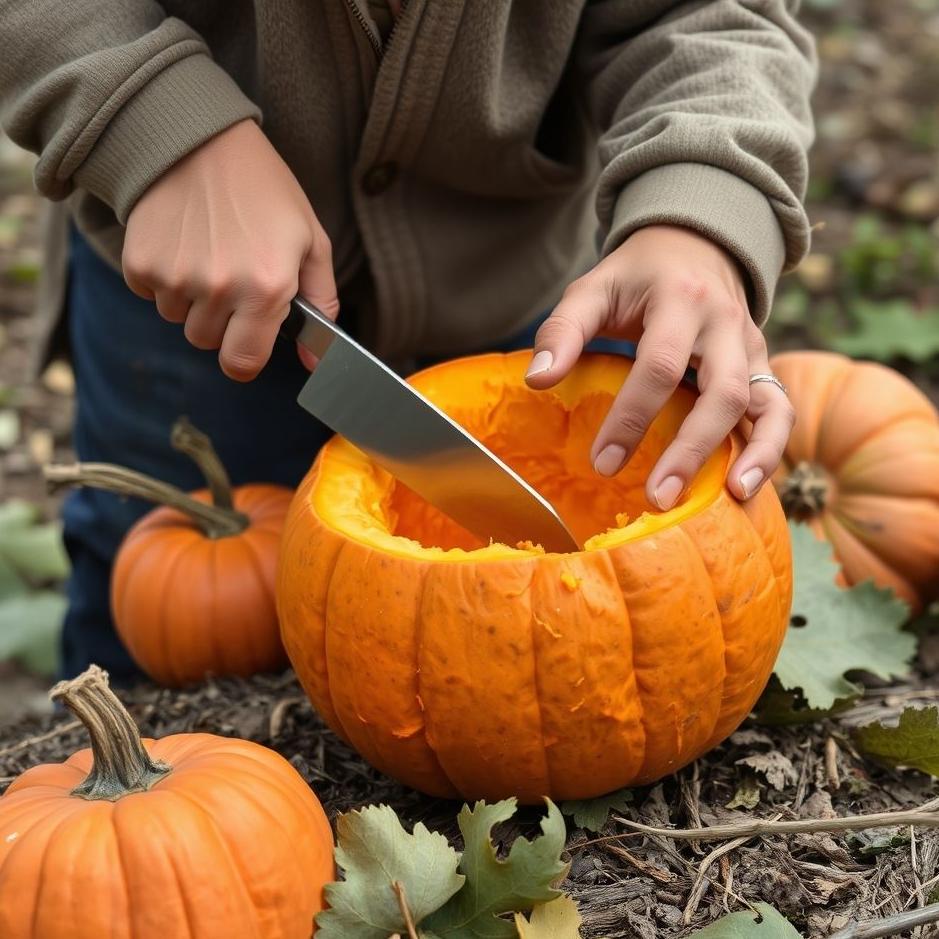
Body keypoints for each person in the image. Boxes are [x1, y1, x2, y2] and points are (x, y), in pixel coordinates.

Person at [0, 1, 815, 680]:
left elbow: (712, 14)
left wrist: (705, 205)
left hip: (523, 288)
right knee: (147, 590)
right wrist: (145, 110)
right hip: (187, 270)